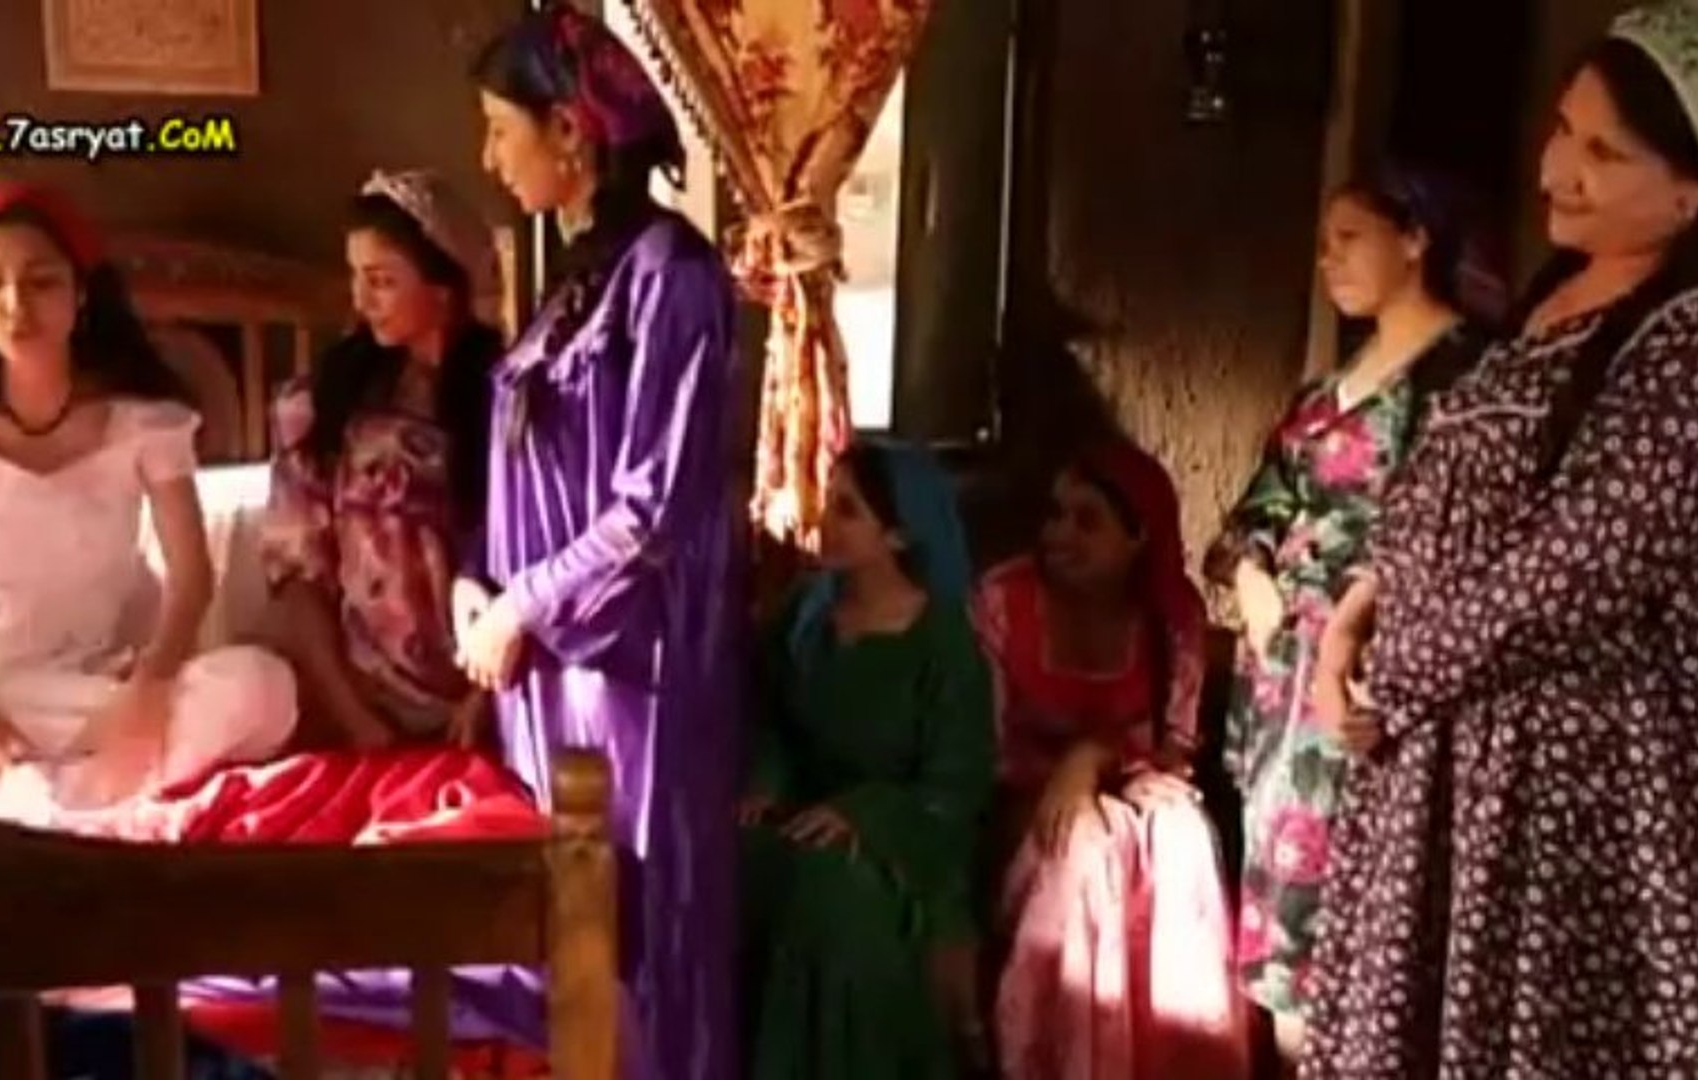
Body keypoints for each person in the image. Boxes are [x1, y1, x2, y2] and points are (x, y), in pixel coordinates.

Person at [1303, 5, 1698, 1075]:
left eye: (1603, 151)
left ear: (1695, 190)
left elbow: (1576, 567)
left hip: (1565, 813)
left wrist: (1393, 676)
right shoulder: (1546, 305)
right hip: (1442, 767)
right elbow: (1429, 494)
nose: (1556, 169)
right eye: (1560, 129)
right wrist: (1351, 621)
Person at [460, 8, 742, 1078]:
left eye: (501, 128)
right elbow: (533, 467)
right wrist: (477, 584)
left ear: (571, 132)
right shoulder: (577, 274)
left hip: (630, 666)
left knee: (639, 914)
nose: (489, 157)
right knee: (571, 923)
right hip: (550, 662)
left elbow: (652, 508)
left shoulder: (674, 276)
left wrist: (521, 600)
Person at [0, 181, 295, 816]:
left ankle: (21, 804)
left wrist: (148, 689)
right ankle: (71, 801)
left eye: (41, 282)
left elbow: (191, 578)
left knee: (264, 690)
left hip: (96, 688)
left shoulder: (144, 423)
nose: (15, 304)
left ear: (79, 294)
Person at [1202, 166, 1485, 1067]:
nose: (1329, 260)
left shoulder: (1468, 380)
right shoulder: (1322, 395)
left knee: (1359, 922)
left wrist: (1362, 624)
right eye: (1323, 244)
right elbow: (1251, 513)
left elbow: (1459, 537)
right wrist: (1252, 572)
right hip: (1281, 679)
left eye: (1350, 238)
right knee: (1283, 921)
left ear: (1415, 240)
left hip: (1374, 674)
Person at [985, 440, 1249, 1080]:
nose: (1060, 535)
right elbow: (981, 744)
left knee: (1185, 837)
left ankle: (1185, 1063)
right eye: (1056, 515)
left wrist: (1093, 760)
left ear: (1138, 538)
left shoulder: (1171, 617)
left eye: (1087, 521)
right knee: (1085, 845)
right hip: (1016, 804)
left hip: (1125, 790)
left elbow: (1173, 745)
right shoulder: (1003, 602)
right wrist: (1070, 777)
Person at [740, 438, 994, 1079]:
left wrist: (866, 817)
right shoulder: (805, 614)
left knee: (838, 898)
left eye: (848, 510)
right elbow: (768, 718)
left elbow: (955, 791)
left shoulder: (943, 645)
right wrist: (766, 782)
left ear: (899, 535)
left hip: (903, 851)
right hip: (798, 822)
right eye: (829, 503)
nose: (825, 521)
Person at [261, 169, 505, 748]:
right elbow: (299, 575)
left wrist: (489, 699)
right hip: (359, 702)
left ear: (444, 289)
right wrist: (355, 719)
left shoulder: (508, 399)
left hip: (486, 695)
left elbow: (528, 565)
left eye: (381, 281)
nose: (360, 301)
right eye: (356, 277)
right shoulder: (323, 406)